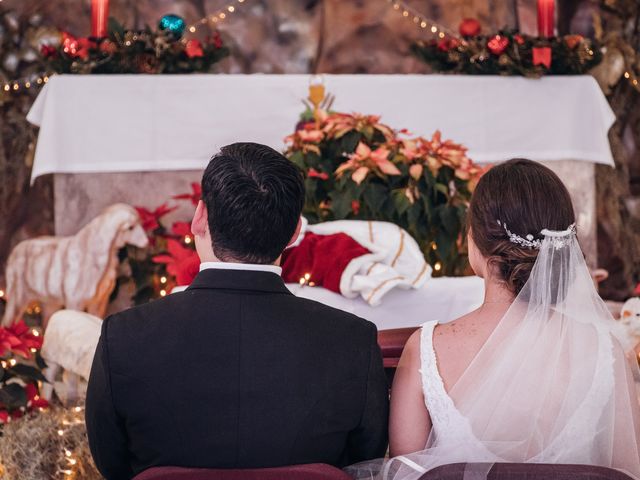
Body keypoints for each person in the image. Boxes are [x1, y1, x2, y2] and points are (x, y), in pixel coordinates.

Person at [85, 142, 389, 480]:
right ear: (294, 233)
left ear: (199, 217)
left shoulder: (123, 336)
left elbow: (113, 465)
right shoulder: (353, 341)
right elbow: (365, 463)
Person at [350, 159, 640, 480]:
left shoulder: (427, 349)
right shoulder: (605, 351)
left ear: (475, 238)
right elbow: (626, 473)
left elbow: (406, 475)